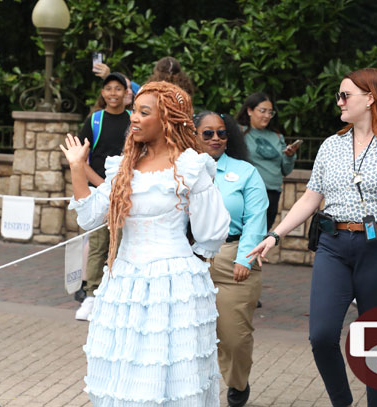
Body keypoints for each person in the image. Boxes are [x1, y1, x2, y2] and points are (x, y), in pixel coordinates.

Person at [247, 68, 377, 407]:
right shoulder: (332, 145)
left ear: (370, 98)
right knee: (321, 336)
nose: (339, 102)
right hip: (334, 245)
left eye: (345, 95)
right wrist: (276, 234)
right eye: (338, 96)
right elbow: (310, 197)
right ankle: (342, 403)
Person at [62, 81, 231, 406]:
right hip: (123, 284)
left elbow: (212, 231)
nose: (134, 119)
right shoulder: (122, 166)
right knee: (124, 374)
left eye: (143, 112)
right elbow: (89, 217)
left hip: (174, 288)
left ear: (167, 118)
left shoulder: (190, 166)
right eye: (134, 111)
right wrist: (77, 167)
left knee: (171, 376)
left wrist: (186, 265)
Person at [194, 111, 268, 407]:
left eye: (222, 133)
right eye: (208, 133)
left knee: (234, 338)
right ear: (194, 135)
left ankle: (238, 382)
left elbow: (255, 219)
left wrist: (245, 259)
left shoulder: (246, 172)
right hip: (190, 259)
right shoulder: (181, 170)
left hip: (232, 258)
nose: (216, 139)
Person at [74, 72, 131, 320]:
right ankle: (91, 295)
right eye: (109, 88)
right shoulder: (95, 121)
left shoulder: (133, 120)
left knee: (122, 243)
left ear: (126, 93)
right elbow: (79, 156)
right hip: (99, 192)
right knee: (98, 244)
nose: (113, 94)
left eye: (118, 89)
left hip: (127, 192)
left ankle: (116, 294)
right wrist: (102, 184)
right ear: (103, 93)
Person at [236, 92, 300, 230]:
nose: (266, 116)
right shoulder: (239, 133)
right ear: (249, 111)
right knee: (245, 234)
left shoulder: (277, 136)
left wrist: (289, 156)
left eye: (270, 112)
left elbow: (286, 170)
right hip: (249, 193)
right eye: (262, 111)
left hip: (273, 194)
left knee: (261, 236)